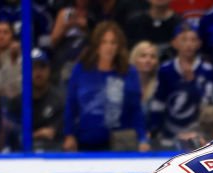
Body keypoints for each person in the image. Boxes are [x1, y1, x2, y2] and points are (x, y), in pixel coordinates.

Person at [63, 21, 150, 152]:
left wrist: (142, 138)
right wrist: (69, 135)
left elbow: (135, 109)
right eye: (104, 42)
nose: (109, 47)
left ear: (118, 46)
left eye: (113, 42)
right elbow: (71, 104)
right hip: (85, 140)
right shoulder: (81, 70)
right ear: (97, 45)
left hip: (120, 142)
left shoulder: (128, 72)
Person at [150, 23, 213, 146]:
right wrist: (153, 129)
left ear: (199, 43)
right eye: (184, 39)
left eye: (193, 40)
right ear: (174, 43)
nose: (189, 44)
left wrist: (192, 83)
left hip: (197, 136)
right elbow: (158, 103)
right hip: (168, 135)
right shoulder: (165, 70)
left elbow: (206, 106)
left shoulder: (207, 70)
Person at [10, 48, 65, 151]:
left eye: (42, 67)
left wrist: (31, 135)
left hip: (52, 154)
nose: (38, 72)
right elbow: (15, 136)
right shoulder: (17, 103)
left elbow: (53, 134)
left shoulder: (59, 100)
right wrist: (37, 134)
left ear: (49, 70)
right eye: (33, 68)